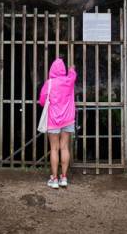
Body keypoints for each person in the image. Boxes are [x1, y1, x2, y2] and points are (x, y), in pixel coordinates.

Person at [38, 58, 77, 189]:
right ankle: (64, 178)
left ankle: (54, 179)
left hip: (53, 120)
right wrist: (71, 69)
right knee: (64, 147)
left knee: (54, 149)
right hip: (68, 119)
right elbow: (73, 74)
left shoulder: (49, 84)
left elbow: (42, 101)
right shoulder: (69, 81)